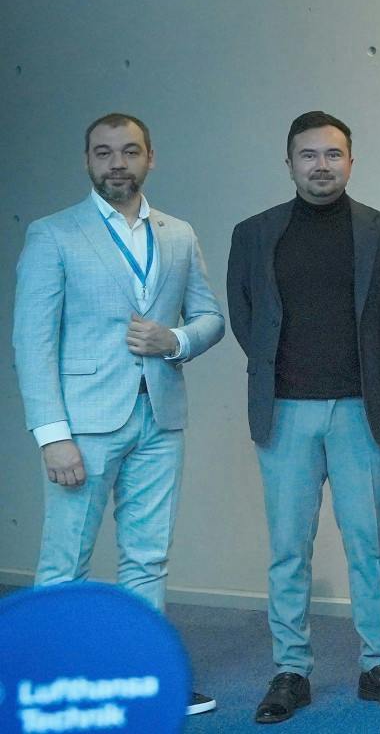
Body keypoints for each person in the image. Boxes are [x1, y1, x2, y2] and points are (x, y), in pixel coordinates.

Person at [12, 112, 227, 717]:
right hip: (82, 426)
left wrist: (175, 341)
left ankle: (146, 676)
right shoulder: (53, 234)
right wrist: (52, 436)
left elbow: (210, 317)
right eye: (103, 153)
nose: (116, 164)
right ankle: (46, 684)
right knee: (65, 562)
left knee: (148, 557)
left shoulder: (178, 234)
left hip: (160, 419)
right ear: (87, 161)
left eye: (129, 152)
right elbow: (32, 342)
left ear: (149, 158)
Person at [227, 111, 380, 722]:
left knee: (370, 547)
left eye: (333, 155)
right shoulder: (254, 233)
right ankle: (290, 669)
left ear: (351, 162)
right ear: (288, 163)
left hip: (361, 410)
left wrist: (365, 365)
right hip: (283, 411)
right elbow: (245, 315)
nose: (321, 166)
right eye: (308, 155)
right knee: (289, 548)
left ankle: (377, 665)